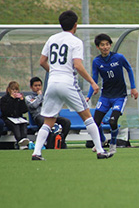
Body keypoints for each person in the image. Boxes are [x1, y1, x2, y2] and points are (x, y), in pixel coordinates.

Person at [31, 10, 112, 160]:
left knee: (48, 121)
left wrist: (54, 71)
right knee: (88, 118)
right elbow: (78, 66)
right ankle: (100, 151)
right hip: (68, 83)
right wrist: (93, 83)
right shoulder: (75, 41)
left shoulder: (52, 38)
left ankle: (36, 152)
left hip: (52, 84)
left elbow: (42, 61)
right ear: (75, 25)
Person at [86, 33, 138, 154]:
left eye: (107, 44)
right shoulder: (97, 61)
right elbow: (94, 79)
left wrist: (134, 88)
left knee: (113, 121)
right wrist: (89, 96)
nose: (105, 47)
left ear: (110, 45)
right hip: (105, 97)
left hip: (119, 97)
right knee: (95, 122)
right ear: (98, 47)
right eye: (102, 45)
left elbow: (129, 69)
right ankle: (103, 140)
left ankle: (113, 144)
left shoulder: (119, 57)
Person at [25, 77, 71, 149]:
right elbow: (34, 105)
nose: (38, 87)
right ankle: (50, 143)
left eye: (39, 85)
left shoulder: (47, 96)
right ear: (31, 87)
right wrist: (40, 96)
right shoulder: (28, 97)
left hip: (50, 115)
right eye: (35, 86)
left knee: (66, 122)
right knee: (44, 121)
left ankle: (61, 141)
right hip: (38, 116)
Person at [0, 81, 30, 149]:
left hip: (18, 118)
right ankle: (19, 141)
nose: (15, 91)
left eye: (16, 90)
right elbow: (6, 111)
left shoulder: (19, 99)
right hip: (8, 118)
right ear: (9, 90)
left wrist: (22, 101)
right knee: (15, 126)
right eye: (13, 89)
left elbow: (24, 110)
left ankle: (24, 140)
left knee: (24, 124)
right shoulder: (4, 99)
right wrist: (12, 99)